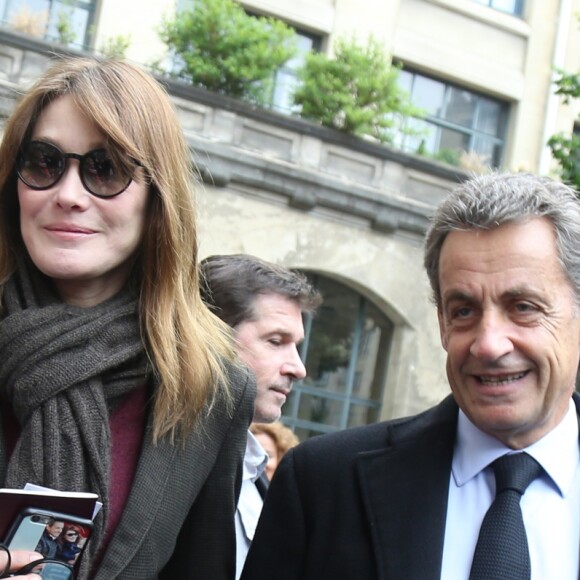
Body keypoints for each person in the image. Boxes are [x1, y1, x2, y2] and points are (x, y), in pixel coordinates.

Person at [241, 172, 580, 580]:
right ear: (441, 323)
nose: (488, 344)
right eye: (464, 311)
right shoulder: (324, 483)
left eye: (523, 307)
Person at [0, 56, 255, 579]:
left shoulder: (212, 389)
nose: (68, 195)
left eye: (105, 169)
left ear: (156, 198)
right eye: (43, 163)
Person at [200, 254, 321, 579]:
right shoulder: (143, 459)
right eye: (276, 341)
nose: (298, 368)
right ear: (211, 336)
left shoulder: (254, 471)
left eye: (296, 346)